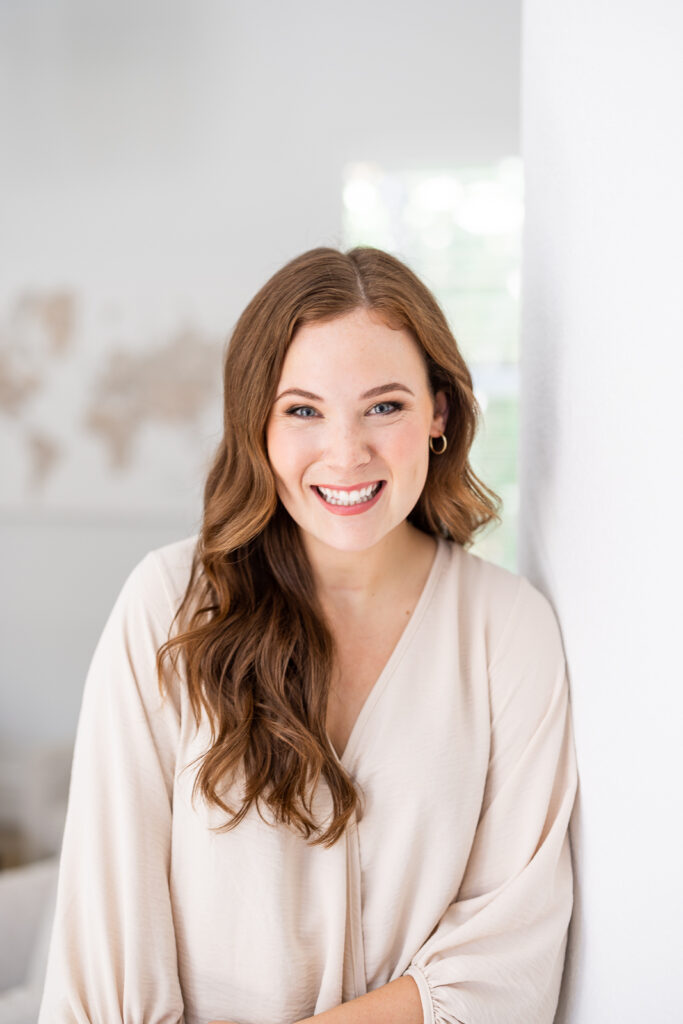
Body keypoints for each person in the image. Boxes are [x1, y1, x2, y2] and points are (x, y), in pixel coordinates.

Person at [38, 246, 578, 1024]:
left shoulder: (507, 631)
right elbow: (105, 949)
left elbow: (507, 964)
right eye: (303, 410)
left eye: (384, 405)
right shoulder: (169, 606)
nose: (346, 451)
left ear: (439, 413)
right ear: (255, 424)